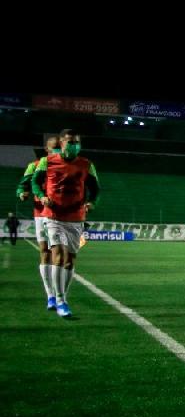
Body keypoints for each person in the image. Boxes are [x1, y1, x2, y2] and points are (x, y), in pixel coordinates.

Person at [31, 130, 98, 318]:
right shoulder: (47, 161)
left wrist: (92, 202)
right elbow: (35, 182)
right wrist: (42, 196)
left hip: (76, 218)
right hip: (53, 216)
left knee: (70, 260)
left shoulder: (87, 165)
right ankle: (59, 300)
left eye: (77, 142)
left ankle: (61, 297)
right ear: (61, 143)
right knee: (58, 255)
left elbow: (96, 190)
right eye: (70, 142)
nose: (74, 145)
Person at [18, 136, 60, 307]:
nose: (58, 150)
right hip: (41, 213)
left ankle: (59, 294)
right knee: (44, 252)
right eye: (54, 147)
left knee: (59, 254)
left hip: (60, 215)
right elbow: (22, 185)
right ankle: (50, 295)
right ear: (46, 149)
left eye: (59, 147)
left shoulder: (66, 166)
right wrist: (22, 193)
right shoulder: (34, 165)